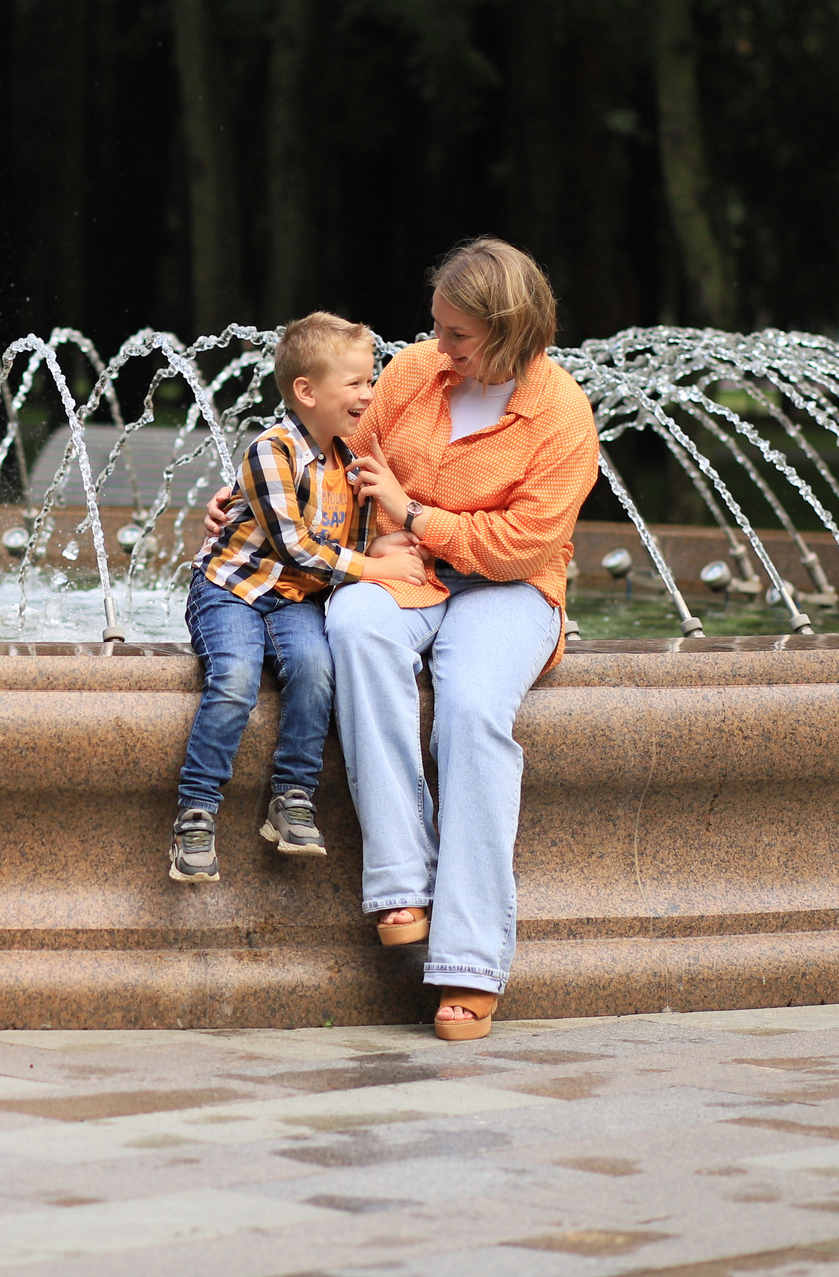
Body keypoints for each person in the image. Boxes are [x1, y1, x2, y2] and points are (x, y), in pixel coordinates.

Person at [203, 239, 597, 1042]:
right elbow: (340, 450)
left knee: (473, 710)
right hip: (407, 565)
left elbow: (523, 543)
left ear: (507, 328)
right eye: (438, 328)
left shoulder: (561, 414)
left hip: (509, 587)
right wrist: (252, 497)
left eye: (456, 334)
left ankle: (470, 959)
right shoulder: (419, 373)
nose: (436, 347)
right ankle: (398, 879)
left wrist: (417, 519)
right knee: (352, 621)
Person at [170, 311, 420, 884]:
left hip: (296, 602)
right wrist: (379, 568)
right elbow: (298, 547)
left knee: (315, 669)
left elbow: (347, 537)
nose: (370, 392)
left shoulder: (352, 459)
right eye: (356, 382)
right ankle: (197, 810)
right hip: (233, 589)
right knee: (233, 679)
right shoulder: (272, 451)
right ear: (306, 391)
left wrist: (386, 539)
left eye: (372, 379)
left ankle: (292, 798)